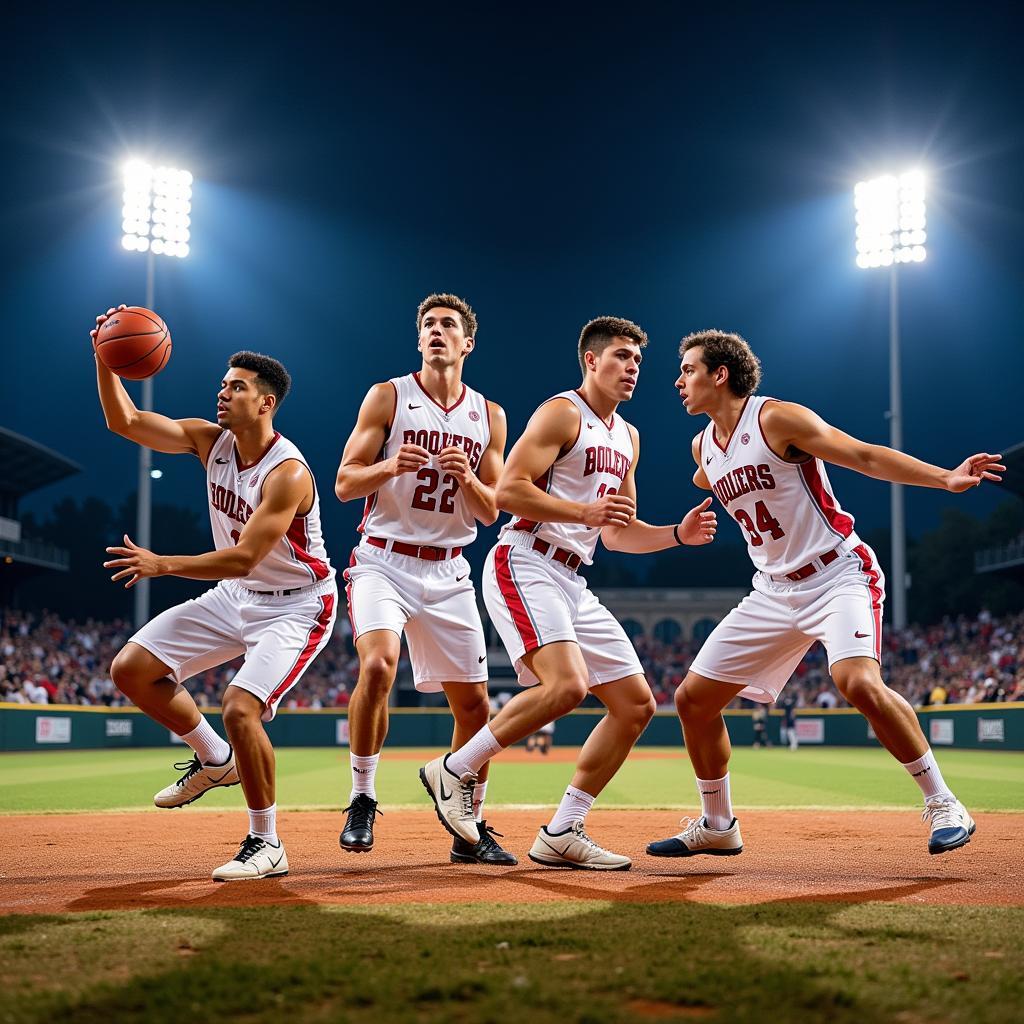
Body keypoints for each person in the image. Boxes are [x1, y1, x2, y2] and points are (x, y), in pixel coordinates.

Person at [646, 329, 1003, 861]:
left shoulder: (777, 418)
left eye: (688, 370)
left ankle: (945, 803)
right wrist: (703, 496)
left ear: (720, 375)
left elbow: (862, 454)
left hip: (836, 574)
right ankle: (718, 824)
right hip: (770, 591)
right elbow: (709, 473)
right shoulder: (703, 446)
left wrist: (944, 479)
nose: (678, 381)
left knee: (855, 679)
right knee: (693, 701)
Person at [419, 316, 717, 870]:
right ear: (591, 360)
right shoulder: (562, 411)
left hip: (572, 577)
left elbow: (617, 531)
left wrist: (677, 534)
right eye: (622, 356)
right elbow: (509, 490)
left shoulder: (628, 436)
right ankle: (455, 768)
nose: (632, 368)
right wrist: (583, 511)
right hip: (525, 559)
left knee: (635, 706)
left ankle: (561, 832)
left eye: (637, 361)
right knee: (567, 686)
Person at [93, 306, 337, 881]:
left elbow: (245, 555)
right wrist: (105, 359)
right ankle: (214, 757)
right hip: (236, 596)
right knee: (131, 669)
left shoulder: (288, 472)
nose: (222, 394)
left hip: (297, 605)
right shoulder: (211, 441)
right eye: (223, 384)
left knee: (240, 707)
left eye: (236, 387)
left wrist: (162, 564)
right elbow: (125, 423)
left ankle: (267, 842)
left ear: (265, 402)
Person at [334, 293, 515, 866]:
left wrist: (470, 480)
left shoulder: (489, 414)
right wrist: (389, 465)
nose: (437, 332)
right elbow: (343, 483)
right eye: (429, 325)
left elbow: (493, 511)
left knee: (475, 709)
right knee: (378, 663)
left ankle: (470, 825)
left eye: (449, 326)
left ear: (468, 344)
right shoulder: (388, 395)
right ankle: (362, 799)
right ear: (419, 340)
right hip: (383, 561)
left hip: (449, 569)